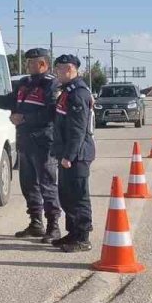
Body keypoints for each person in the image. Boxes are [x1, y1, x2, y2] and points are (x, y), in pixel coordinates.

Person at [0, 48, 61, 242]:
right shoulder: (24, 84)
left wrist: (24, 118)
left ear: (43, 64)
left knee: (47, 184)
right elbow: (10, 101)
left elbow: (51, 113)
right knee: (28, 184)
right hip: (24, 141)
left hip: (43, 142)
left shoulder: (52, 85)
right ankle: (35, 222)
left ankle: (53, 226)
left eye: (32, 62)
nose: (28, 65)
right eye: (27, 62)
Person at [50, 53, 96, 252]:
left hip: (77, 155)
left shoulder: (78, 93)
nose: (56, 73)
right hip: (67, 154)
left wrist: (69, 156)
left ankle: (83, 238)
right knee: (66, 195)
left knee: (78, 195)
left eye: (59, 69)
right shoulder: (68, 91)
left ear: (69, 69)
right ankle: (73, 233)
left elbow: (77, 130)